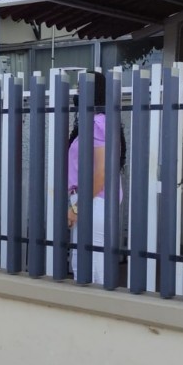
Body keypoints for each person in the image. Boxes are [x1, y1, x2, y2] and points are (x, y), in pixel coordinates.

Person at [67, 71, 127, 285]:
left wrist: (76, 208)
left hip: (94, 200)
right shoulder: (90, 122)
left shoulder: (99, 123)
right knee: (82, 263)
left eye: (82, 89)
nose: (77, 93)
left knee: (93, 266)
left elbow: (102, 173)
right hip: (87, 199)